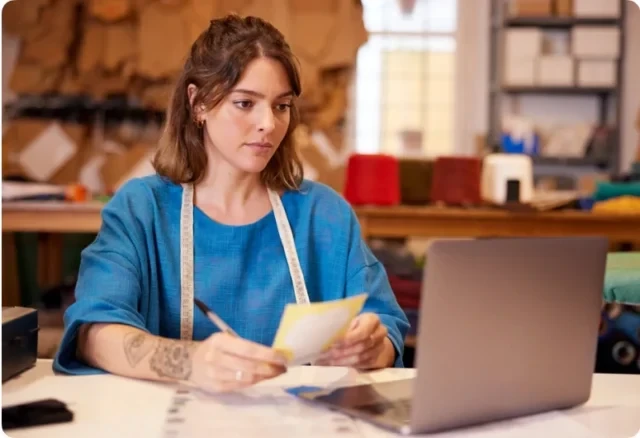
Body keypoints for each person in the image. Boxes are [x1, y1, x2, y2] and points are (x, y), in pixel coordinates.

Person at [53, 14, 409, 393]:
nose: (268, 124)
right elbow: (94, 333)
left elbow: (385, 326)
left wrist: (373, 347)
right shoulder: (142, 210)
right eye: (245, 103)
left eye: (281, 106)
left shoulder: (325, 214)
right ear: (198, 104)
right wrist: (189, 362)